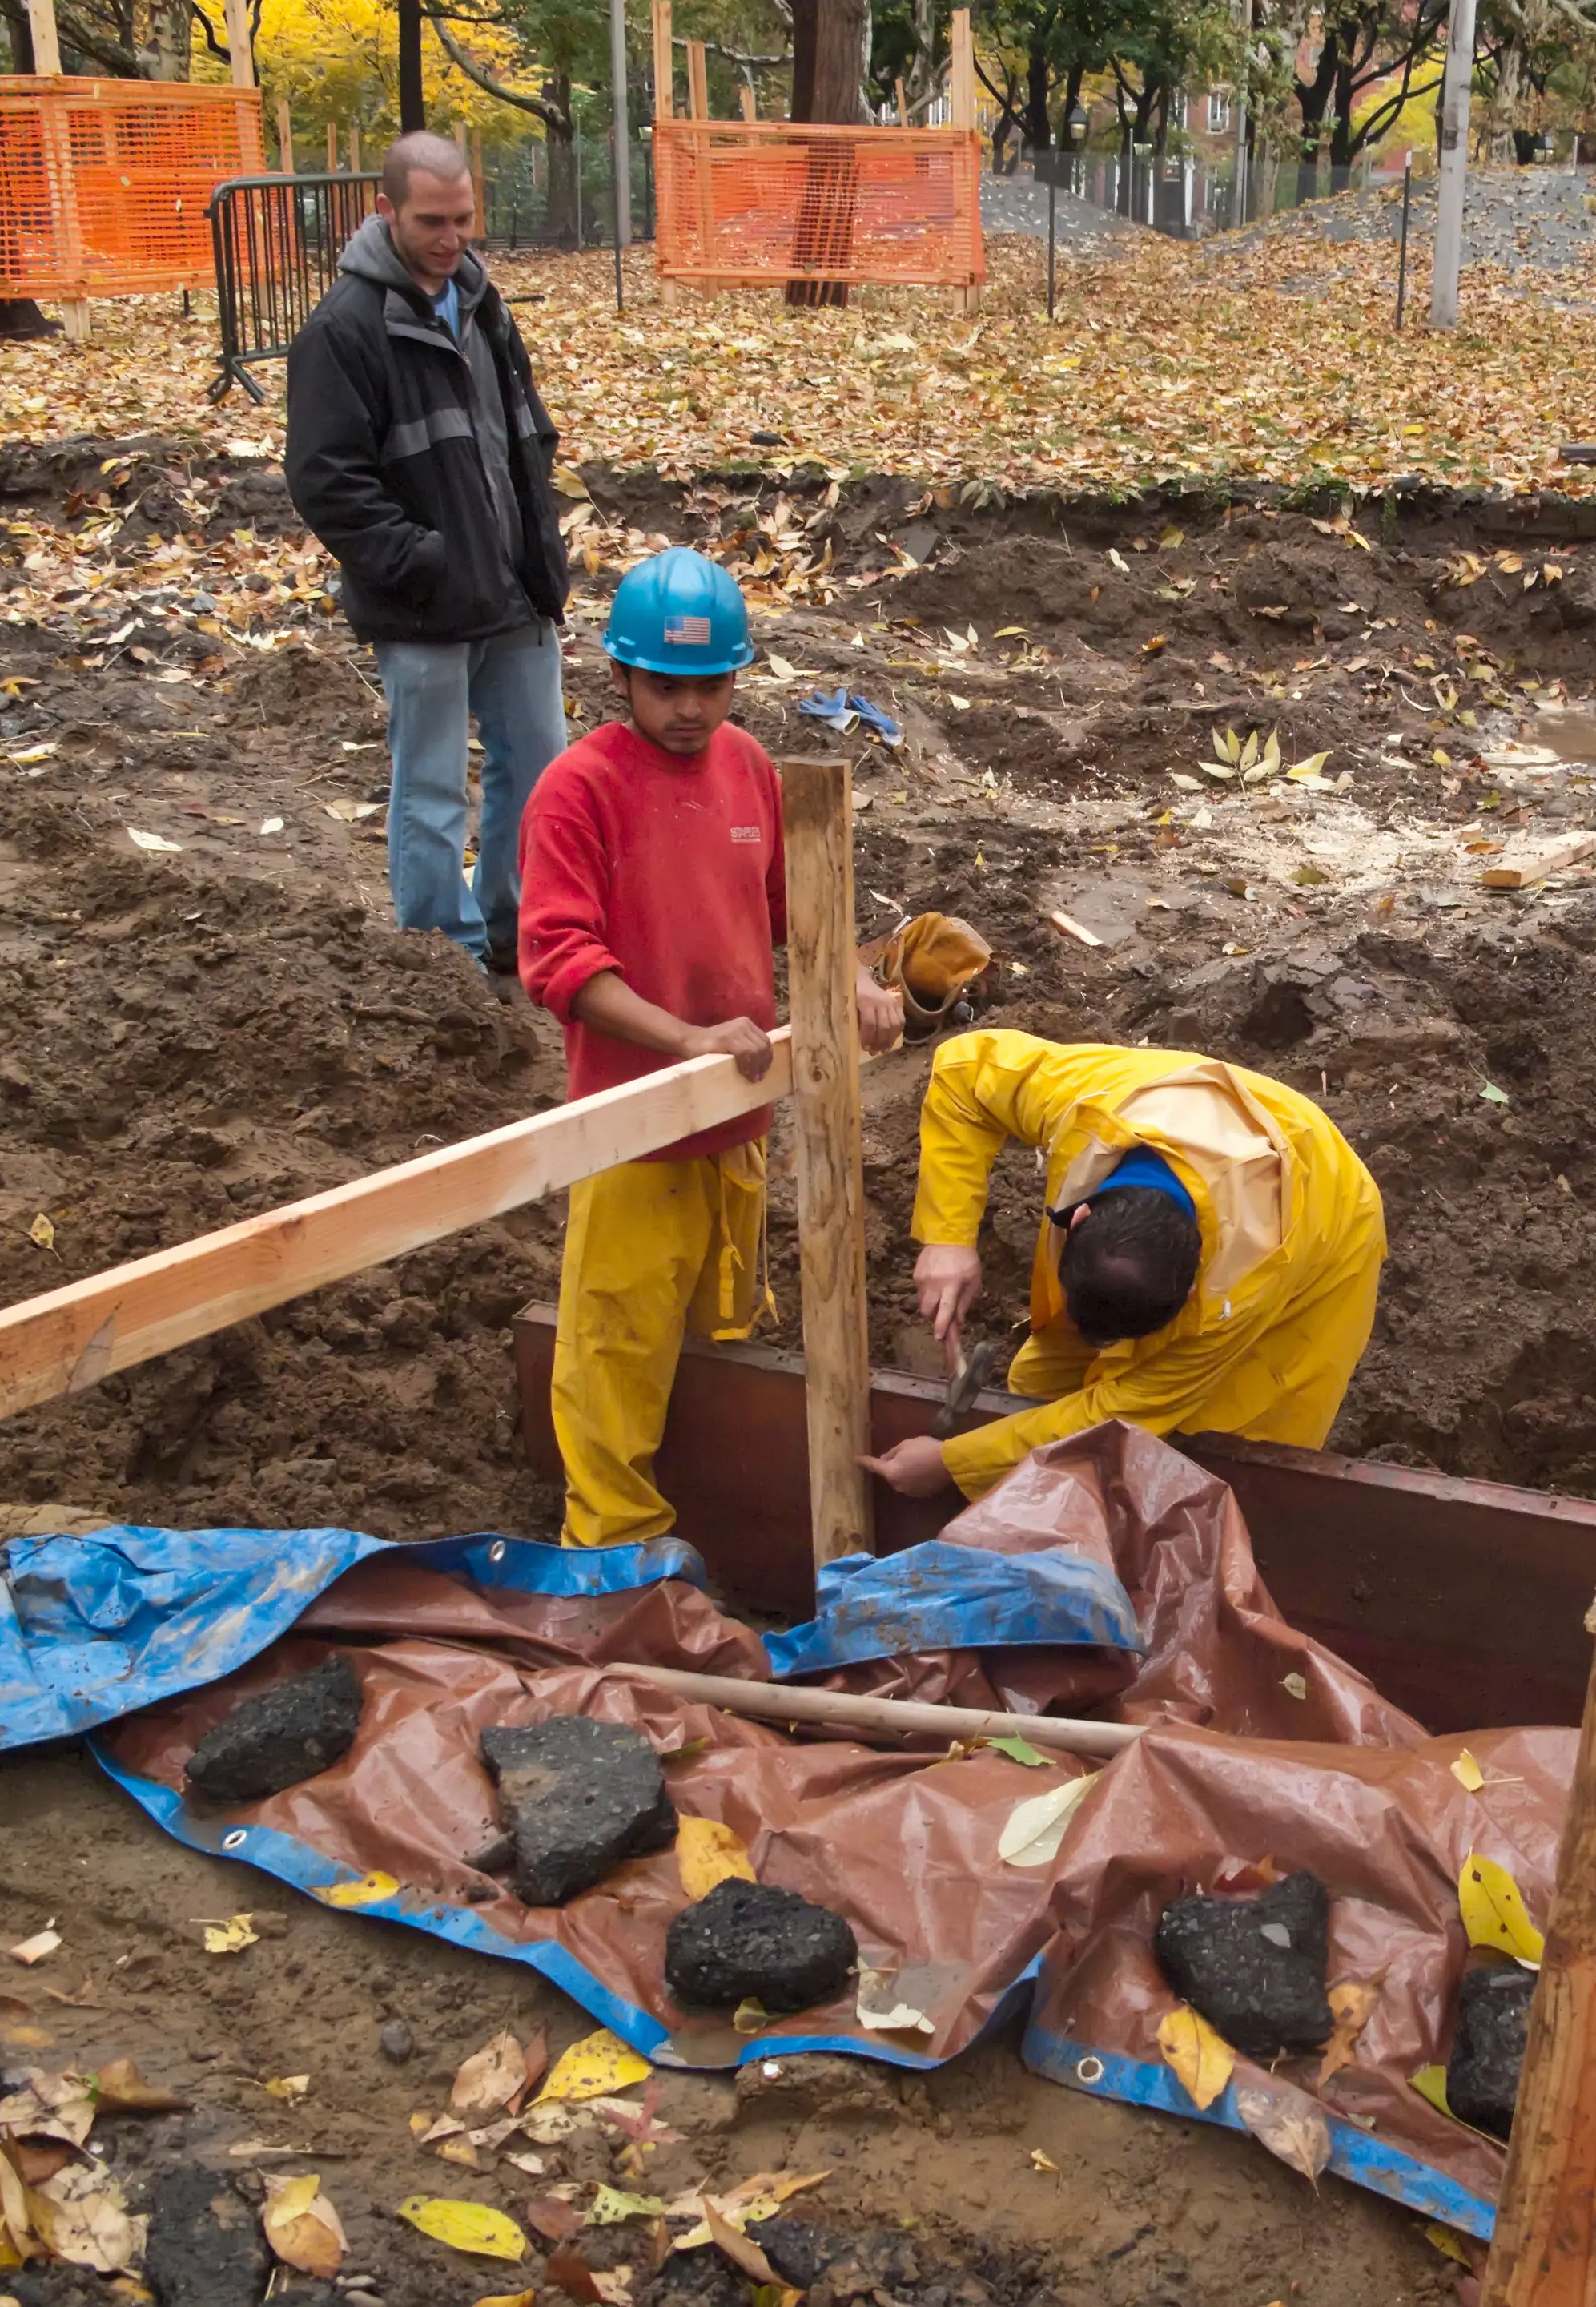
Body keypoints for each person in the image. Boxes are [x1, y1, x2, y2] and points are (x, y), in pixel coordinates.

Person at [520, 547, 905, 1547]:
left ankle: (708, 1509)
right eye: (665, 687)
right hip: (633, 1132)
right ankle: (611, 1552)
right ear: (620, 679)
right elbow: (559, 960)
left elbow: (793, 907)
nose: (690, 709)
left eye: (711, 686)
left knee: (715, 1329)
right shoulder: (578, 791)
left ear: (738, 678)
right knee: (614, 1345)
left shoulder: (748, 769)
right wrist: (684, 1037)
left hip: (739, 1115)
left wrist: (853, 976)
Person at [860, 1032, 1388, 1501]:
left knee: (1215, 1447)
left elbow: (1122, 1412)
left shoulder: (1239, 1292)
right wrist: (948, 1238)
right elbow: (962, 1071)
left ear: (1190, 1297)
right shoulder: (1082, 1101)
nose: (1100, 1346)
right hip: (1196, 1117)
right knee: (1050, 1376)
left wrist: (955, 1464)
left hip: (1326, 1218)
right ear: (1082, 1215)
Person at [286, 131, 569, 976]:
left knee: (542, 765)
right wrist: (422, 560)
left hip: (514, 590)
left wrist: (541, 553)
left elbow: (525, 439)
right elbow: (326, 483)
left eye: (464, 219)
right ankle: (442, 964)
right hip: (423, 604)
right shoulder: (343, 330)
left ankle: (523, 931)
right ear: (386, 212)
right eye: (431, 222)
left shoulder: (484, 304)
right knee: (435, 790)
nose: (451, 239)